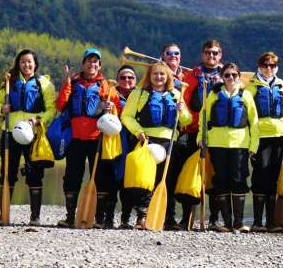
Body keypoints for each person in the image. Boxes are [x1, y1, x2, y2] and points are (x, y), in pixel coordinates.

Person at [54, 48, 118, 227]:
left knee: (100, 178)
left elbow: (114, 111)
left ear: (100, 65)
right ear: (83, 64)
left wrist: (110, 107)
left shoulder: (105, 84)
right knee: (72, 177)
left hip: (96, 138)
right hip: (75, 138)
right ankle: (69, 216)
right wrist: (66, 82)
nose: (92, 64)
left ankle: (99, 218)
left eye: (96, 61)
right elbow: (60, 105)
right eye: (89, 61)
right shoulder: (73, 82)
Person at [122, 62, 191, 229]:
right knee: (147, 179)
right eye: (155, 74)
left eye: (162, 74)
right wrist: (138, 131)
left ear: (168, 76)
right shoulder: (139, 94)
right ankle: (142, 216)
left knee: (167, 179)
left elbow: (187, 121)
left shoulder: (175, 94)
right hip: (147, 139)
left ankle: (168, 218)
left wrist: (182, 110)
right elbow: (127, 116)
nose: (159, 77)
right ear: (149, 76)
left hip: (169, 142)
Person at [0, 49, 57, 226]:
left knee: (34, 173)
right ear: (18, 64)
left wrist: (38, 120)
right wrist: (1, 109)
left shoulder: (44, 84)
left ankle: (35, 217)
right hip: (10, 132)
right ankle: (3, 214)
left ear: (35, 64)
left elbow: (52, 109)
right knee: (7, 173)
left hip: (33, 135)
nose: (26, 65)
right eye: (23, 62)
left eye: (30, 62)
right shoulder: (9, 81)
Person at [200, 62, 260, 232]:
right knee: (221, 180)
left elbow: (254, 122)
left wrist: (254, 145)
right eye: (227, 75)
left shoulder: (245, 95)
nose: (231, 78)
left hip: (240, 144)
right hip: (217, 143)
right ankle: (226, 222)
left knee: (239, 180)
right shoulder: (213, 94)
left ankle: (238, 223)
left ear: (239, 77)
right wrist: (201, 138)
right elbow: (203, 119)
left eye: (234, 75)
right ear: (222, 77)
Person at [174, 39, 225, 229]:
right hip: (192, 131)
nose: (211, 56)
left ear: (220, 55)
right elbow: (185, 102)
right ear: (202, 54)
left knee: (214, 176)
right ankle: (187, 217)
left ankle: (213, 219)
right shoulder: (191, 76)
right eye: (207, 52)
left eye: (214, 53)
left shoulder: (226, 75)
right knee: (189, 173)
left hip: (216, 133)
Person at [244, 52, 283, 232]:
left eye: (272, 65)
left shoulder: (281, 85)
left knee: (273, 177)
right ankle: (257, 221)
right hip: (260, 137)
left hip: (278, 137)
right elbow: (247, 114)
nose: (268, 69)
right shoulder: (251, 87)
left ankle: (271, 221)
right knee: (260, 176)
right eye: (265, 65)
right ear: (259, 66)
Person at [101, 64, 138, 228]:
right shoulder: (111, 94)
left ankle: (125, 219)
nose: (127, 80)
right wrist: (105, 108)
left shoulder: (140, 95)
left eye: (130, 77)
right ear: (117, 80)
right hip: (115, 141)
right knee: (112, 179)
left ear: (135, 80)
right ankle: (108, 218)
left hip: (134, 141)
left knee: (128, 182)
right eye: (123, 77)